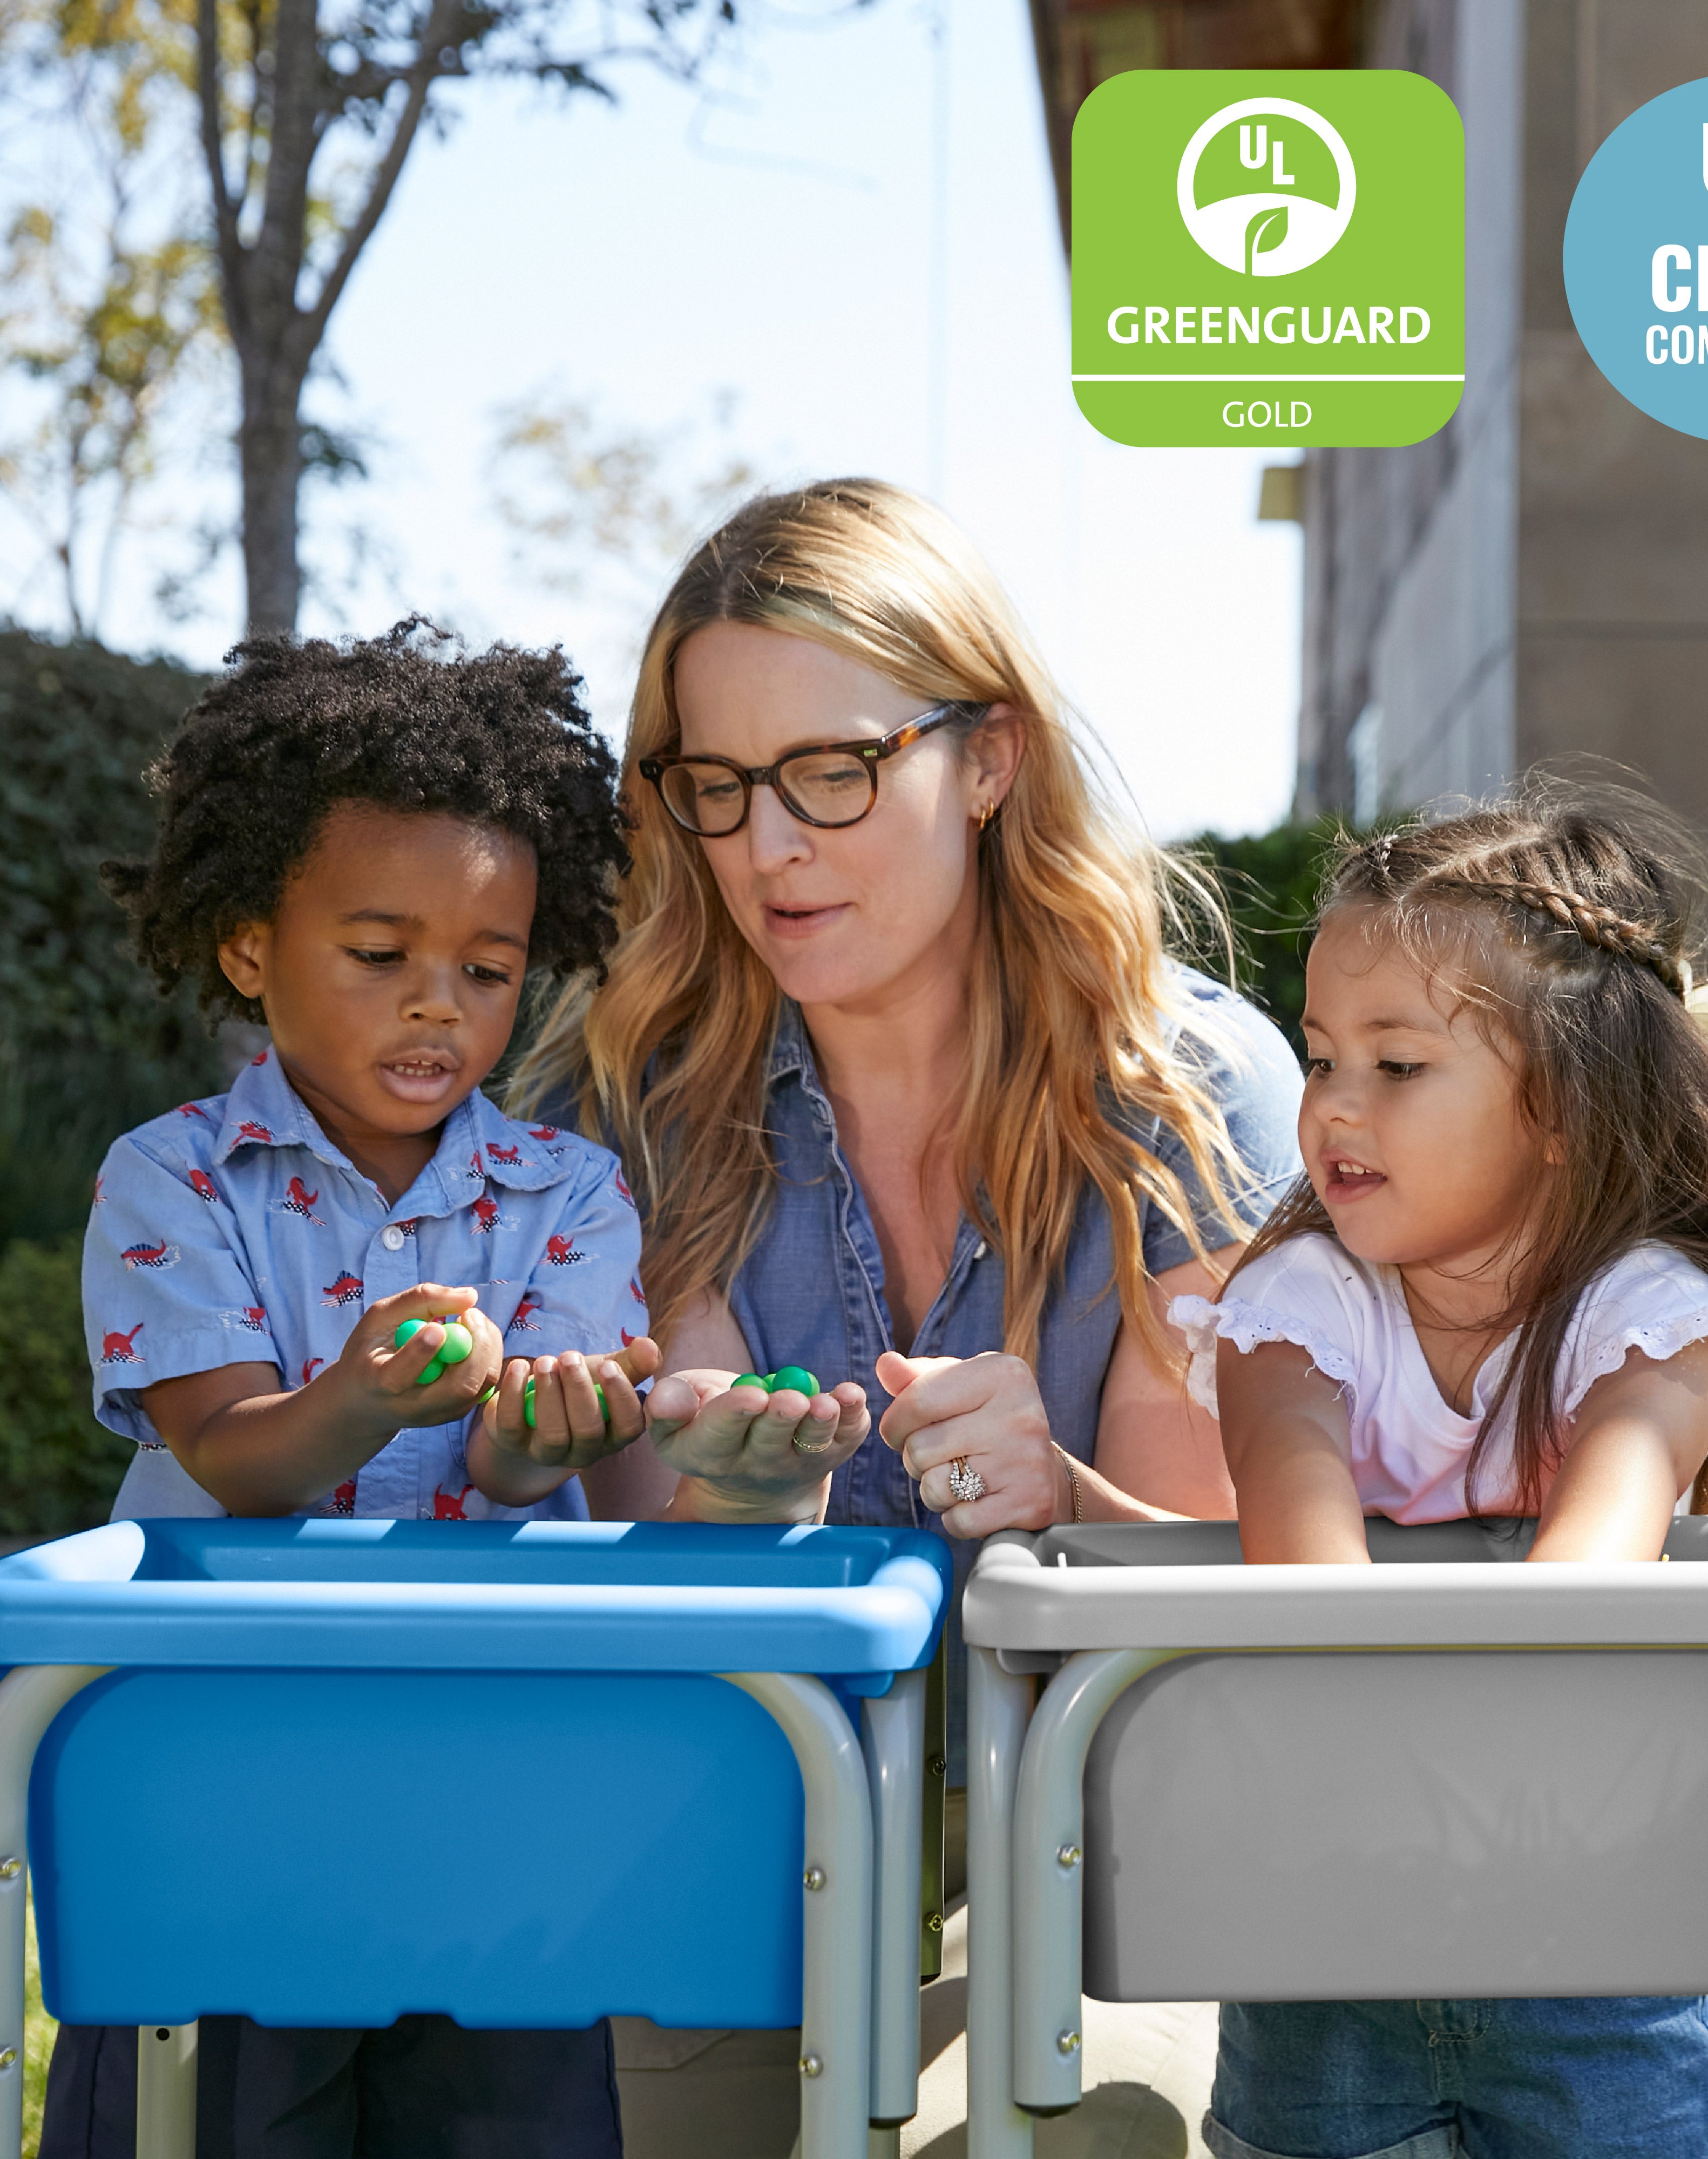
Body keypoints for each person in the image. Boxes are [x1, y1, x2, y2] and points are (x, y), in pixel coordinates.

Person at [509, 477, 1306, 2150]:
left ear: (990, 758)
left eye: (834, 771)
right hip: (744, 1805)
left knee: (1093, 2135)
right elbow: (685, 1622)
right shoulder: (642, 1101)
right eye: (716, 788)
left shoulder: (1184, 1082)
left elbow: (1217, 1584)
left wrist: (1063, 1501)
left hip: (1099, 1795)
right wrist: (735, 1499)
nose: (768, 848)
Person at [48, 621, 676, 2158]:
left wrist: (550, 1429)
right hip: (227, 1782)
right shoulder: (174, 1181)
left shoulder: (571, 1193)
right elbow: (237, 1457)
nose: (439, 1007)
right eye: (381, 955)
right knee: (220, 2120)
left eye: (489, 968)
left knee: (505, 2123)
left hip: (496, 1784)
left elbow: (530, 1477)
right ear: (251, 946)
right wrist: (366, 1392)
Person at [1176, 778, 1708, 2159]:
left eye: (1395, 1066)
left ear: (1565, 1109)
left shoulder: (1648, 1316)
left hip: (1599, 1945)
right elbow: (1303, 1563)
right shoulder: (1292, 1303)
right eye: (1320, 1056)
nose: (1332, 1104)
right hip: (1316, 1957)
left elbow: (1586, 1570)